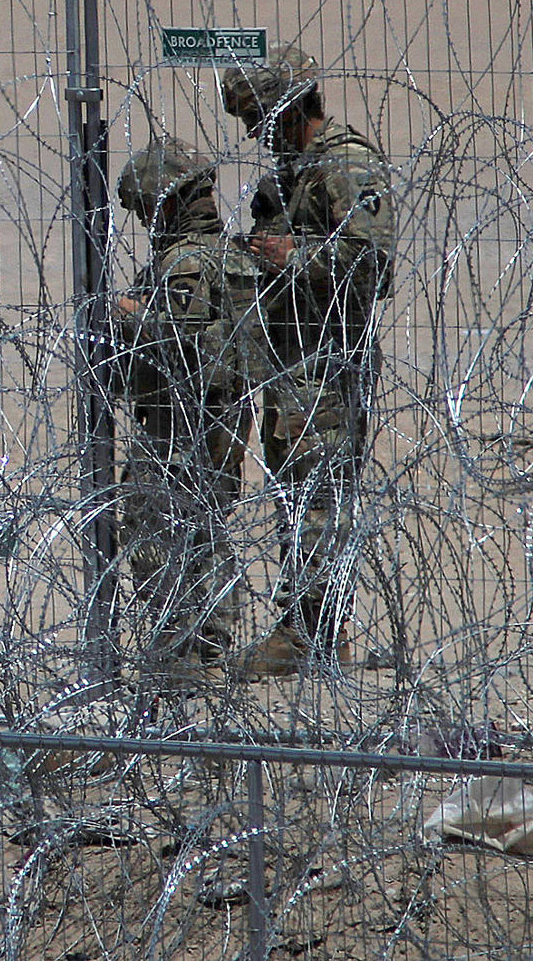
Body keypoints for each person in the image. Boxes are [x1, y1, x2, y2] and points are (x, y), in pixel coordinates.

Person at [222, 43, 396, 676]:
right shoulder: (295, 174)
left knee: (318, 498)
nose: (256, 138)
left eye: (259, 123)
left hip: (328, 360)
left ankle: (315, 635)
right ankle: (307, 624)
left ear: (289, 112)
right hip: (294, 359)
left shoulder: (347, 164)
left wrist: (293, 257)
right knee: (298, 496)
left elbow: (373, 264)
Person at [111, 136, 264, 680]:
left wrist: (126, 313)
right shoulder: (234, 255)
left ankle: (181, 650)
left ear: (167, 204)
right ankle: (212, 644)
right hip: (229, 413)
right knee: (206, 525)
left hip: (181, 417)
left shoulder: (184, 263)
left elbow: (180, 340)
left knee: (154, 521)